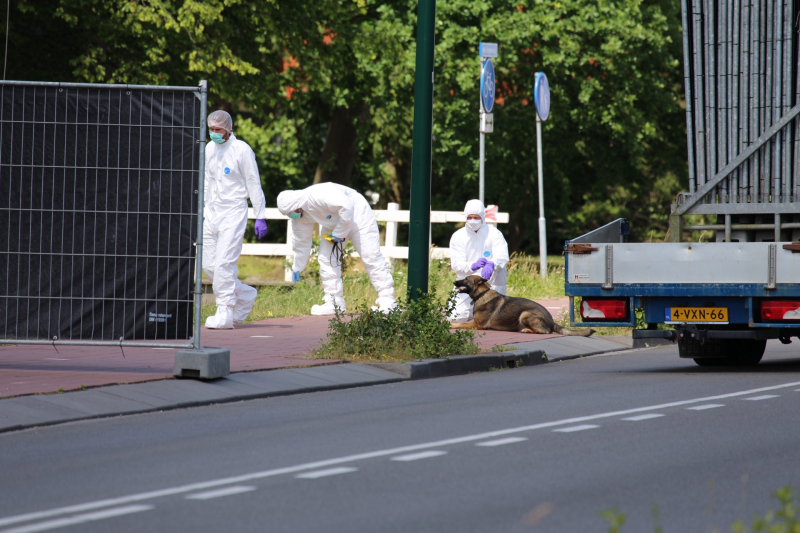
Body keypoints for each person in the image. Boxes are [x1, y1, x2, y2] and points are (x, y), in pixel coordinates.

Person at [277, 183, 397, 315]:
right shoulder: (300, 216)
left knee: (371, 256)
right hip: (335, 224)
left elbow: (347, 207)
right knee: (326, 258)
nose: (292, 216)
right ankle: (334, 302)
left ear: (298, 205)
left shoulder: (319, 194)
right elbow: (301, 242)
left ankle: (387, 300)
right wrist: (298, 266)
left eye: (292, 212)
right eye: (288, 214)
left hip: (358, 215)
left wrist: (339, 234)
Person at [203, 110, 269, 329]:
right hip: (212, 213)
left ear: (229, 128)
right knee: (209, 265)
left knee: (224, 263)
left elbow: (253, 183)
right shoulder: (209, 148)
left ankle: (225, 311)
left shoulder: (241, 150)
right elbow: (207, 181)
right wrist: (202, 209)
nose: (214, 133)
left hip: (233, 211)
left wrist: (260, 215)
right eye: (211, 129)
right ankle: (246, 295)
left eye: (218, 130)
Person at [448, 199, 509, 323]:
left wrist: (492, 264)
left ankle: (491, 309)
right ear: (465, 217)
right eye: (470, 217)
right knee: (456, 317)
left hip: (491, 280)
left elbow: (502, 255)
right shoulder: (458, 236)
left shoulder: (494, 234)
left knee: (493, 319)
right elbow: (456, 264)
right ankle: (473, 312)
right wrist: (473, 266)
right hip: (468, 280)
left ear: (482, 217)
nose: (473, 220)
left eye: (476, 217)